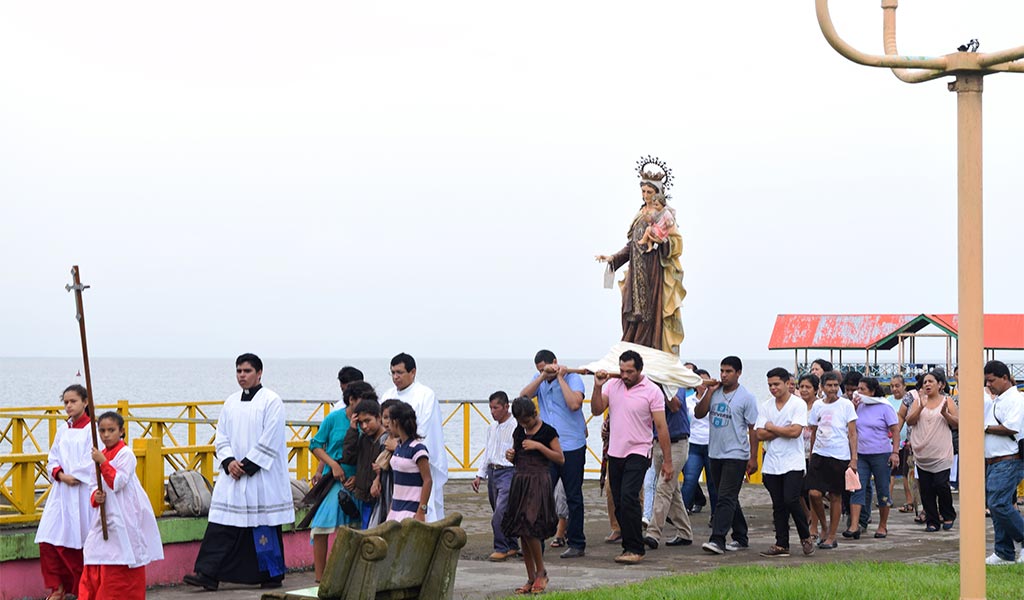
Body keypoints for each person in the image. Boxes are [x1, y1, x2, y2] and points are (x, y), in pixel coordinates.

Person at [184, 354, 294, 591]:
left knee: (262, 526)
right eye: (238, 371)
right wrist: (228, 461)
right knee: (222, 524)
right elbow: (221, 435)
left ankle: (270, 575)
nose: (242, 376)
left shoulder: (271, 401)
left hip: (260, 476)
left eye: (247, 371)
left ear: (259, 372)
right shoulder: (231, 402)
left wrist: (247, 465)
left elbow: (272, 437)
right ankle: (207, 574)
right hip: (232, 475)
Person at [594, 156, 686, 354]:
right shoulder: (640, 213)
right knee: (629, 311)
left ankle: (644, 351)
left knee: (647, 313)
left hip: (652, 269)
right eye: (643, 191)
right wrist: (613, 258)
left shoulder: (664, 214)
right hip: (636, 269)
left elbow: (676, 242)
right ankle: (629, 348)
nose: (645, 195)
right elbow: (632, 244)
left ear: (658, 193)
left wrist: (662, 241)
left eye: (649, 192)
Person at [590, 350, 673, 564]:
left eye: (629, 371)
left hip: (639, 450)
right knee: (618, 502)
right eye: (621, 370)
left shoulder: (652, 391)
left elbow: (662, 427)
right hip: (615, 452)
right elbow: (597, 410)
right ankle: (629, 543)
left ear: (639, 370)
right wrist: (598, 386)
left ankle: (635, 548)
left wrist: (668, 461)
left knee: (629, 497)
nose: (624, 375)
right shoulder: (612, 385)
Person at [78, 412, 163, 600]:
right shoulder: (98, 455)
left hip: (125, 512)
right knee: (95, 551)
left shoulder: (126, 454)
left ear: (121, 431)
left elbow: (118, 482)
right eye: (102, 430)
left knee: (124, 552)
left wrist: (103, 462)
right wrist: (95, 496)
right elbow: (93, 483)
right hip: (105, 513)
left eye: (111, 430)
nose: (106, 435)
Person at [520, 349, 588, 559]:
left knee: (573, 496)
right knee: (540, 494)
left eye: (546, 368)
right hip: (548, 447)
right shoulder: (539, 379)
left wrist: (559, 376)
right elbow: (523, 397)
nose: (544, 372)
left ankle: (576, 542)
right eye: (540, 370)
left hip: (572, 446)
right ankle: (537, 541)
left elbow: (574, 404)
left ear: (555, 362)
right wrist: (542, 376)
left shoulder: (574, 378)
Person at [35, 384, 96, 600]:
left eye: (73, 401)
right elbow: (53, 457)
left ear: (85, 402)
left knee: (77, 542)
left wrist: (76, 476)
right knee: (47, 538)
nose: (69, 406)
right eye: (66, 402)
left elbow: (92, 460)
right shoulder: (63, 430)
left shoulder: (93, 431)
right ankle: (57, 587)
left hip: (80, 493)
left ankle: (82, 590)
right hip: (60, 492)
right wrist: (60, 475)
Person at [695, 357, 759, 555]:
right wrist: (709, 392)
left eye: (728, 371)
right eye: (722, 371)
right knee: (728, 496)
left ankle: (718, 539)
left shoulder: (746, 397)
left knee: (724, 497)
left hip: (736, 454)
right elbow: (699, 413)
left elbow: (753, 429)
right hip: (715, 452)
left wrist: (753, 457)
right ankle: (741, 536)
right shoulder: (714, 393)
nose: (724, 375)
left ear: (738, 373)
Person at [501, 397, 563, 595]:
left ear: (534, 414)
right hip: (520, 479)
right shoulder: (519, 431)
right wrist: (511, 456)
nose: (524, 425)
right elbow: (518, 456)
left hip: (538, 480)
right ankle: (530, 576)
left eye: (527, 421)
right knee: (521, 528)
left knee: (531, 525)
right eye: (521, 421)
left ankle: (541, 572)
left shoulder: (548, 432)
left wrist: (540, 447)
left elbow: (560, 458)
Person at [307, 381, 368, 581]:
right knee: (320, 525)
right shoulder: (333, 418)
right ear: (351, 400)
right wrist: (331, 465)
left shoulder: (368, 421)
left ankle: (350, 576)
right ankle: (320, 577)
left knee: (356, 527)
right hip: (335, 479)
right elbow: (315, 444)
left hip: (359, 479)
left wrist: (359, 477)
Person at [379, 353, 448, 521]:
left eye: (399, 372)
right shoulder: (388, 395)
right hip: (392, 460)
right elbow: (382, 425)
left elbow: (424, 427)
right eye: (392, 373)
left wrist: (402, 446)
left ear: (413, 372)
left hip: (415, 459)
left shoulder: (425, 395)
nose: (395, 377)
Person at [756, 368, 814, 557]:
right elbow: (759, 434)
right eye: (770, 385)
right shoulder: (766, 406)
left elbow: (795, 432)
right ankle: (782, 544)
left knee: (791, 499)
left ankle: (805, 536)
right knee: (778, 504)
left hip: (793, 462)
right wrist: (782, 429)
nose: (773, 388)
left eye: (776, 384)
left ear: (787, 383)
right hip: (772, 462)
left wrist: (771, 427)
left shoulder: (797, 404)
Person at [805, 372, 858, 550]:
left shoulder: (846, 405)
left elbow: (852, 433)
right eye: (829, 385)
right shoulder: (818, 406)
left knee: (836, 496)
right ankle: (824, 526)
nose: (833, 389)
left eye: (836, 385)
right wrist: (812, 454)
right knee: (814, 493)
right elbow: (813, 431)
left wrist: (854, 459)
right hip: (820, 454)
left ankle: (832, 536)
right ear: (822, 387)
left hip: (839, 455)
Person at [981, 360, 1024, 565]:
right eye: (987, 381)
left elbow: (1012, 427)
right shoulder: (998, 399)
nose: (989, 385)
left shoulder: (1017, 399)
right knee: (999, 505)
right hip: (995, 461)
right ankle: (1004, 551)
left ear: (1005, 378)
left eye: (992, 380)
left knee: (997, 503)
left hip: (1009, 459)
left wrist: (984, 427)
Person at [846, 377, 899, 540]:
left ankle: (882, 525)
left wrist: (895, 452)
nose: (858, 392)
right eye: (858, 388)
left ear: (872, 391)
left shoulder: (885, 407)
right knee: (857, 488)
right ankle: (854, 525)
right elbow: (850, 427)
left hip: (881, 454)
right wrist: (853, 408)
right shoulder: (858, 406)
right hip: (860, 454)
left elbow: (895, 430)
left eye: (862, 389)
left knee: (883, 489)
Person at [906, 370, 958, 532]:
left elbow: (957, 423)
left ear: (941, 384)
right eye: (925, 382)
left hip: (941, 451)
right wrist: (920, 407)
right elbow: (910, 421)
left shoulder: (947, 400)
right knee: (926, 488)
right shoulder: (918, 401)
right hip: (922, 452)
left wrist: (944, 414)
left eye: (931, 381)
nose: (927, 384)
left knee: (941, 484)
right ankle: (932, 520)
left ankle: (948, 514)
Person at [472, 391, 520, 562]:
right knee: (498, 509)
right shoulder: (491, 427)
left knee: (500, 512)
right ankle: (512, 543)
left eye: (496, 408)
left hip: (508, 471)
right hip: (493, 471)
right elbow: (488, 452)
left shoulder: (515, 426)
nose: (492, 412)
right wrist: (480, 474)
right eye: (491, 408)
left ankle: (501, 547)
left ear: (506, 406)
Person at [644, 385, 694, 550]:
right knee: (672, 492)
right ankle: (685, 532)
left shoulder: (674, 384)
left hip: (678, 443)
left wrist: (661, 386)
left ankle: (653, 533)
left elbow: (675, 405)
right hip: (658, 442)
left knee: (664, 487)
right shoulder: (648, 387)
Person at [342, 396, 388, 529]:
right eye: (361, 423)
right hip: (365, 498)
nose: (364, 426)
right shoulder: (363, 439)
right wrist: (352, 430)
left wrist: (378, 479)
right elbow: (348, 457)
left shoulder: (386, 441)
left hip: (381, 498)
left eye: (368, 421)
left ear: (379, 417)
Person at [386, 401, 432, 522]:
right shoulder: (399, 447)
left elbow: (427, 480)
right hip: (396, 508)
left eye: (389, 421)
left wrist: (421, 510)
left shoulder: (417, 449)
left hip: (412, 509)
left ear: (395, 422)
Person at [682, 369, 715, 515]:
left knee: (713, 483)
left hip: (711, 443)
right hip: (694, 443)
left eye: (706, 381)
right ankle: (681, 511)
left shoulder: (716, 400)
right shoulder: (688, 401)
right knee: (690, 479)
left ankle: (716, 515)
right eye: (700, 381)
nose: (703, 385)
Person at [368, 399, 401, 528]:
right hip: (385, 483)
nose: (387, 422)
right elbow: (381, 464)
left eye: (391, 418)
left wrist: (397, 449)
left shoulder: (404, 440)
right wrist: (376, 479)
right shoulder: (383, 439)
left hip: (398, 484)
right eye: (385, 417)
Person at [888, 374, 918, 516]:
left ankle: (910, 501)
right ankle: (888, 498)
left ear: (904, 386)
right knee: (891, 473)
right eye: (892, 386)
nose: (894, 389)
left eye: (897, 386)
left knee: (908, 474)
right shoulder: (888, 401)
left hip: (907, 442)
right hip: (893, 443)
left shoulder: (910, 400)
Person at [796, 373, 820, 540]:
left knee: (813, 492)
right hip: (796, 453)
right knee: (796, 490)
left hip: (814, 453)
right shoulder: (796, 405)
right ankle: (807, 514)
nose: (804, 390)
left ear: (816, 389)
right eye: (801, 386)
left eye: (808, 387)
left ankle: (814, 525)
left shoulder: (819, 406)